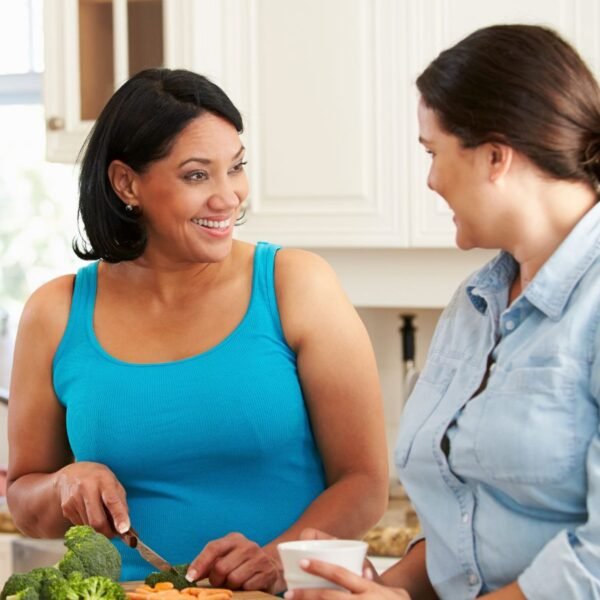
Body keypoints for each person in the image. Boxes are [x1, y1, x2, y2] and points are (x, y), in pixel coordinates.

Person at [6, 68, 389, 590]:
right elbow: (28, 503)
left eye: (236, 168)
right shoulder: (56, 312)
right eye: (196, 175)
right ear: (126, 183)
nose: (228, 197)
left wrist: (275, 557)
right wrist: (63, 485)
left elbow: (364, 484)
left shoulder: (295, 286)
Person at [284, 24, 600, 600]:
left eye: (433, 152)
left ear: (495, 156)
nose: (429, 180)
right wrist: (376, 589)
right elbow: (466, 536)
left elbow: (595, 565)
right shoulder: (475, 304)